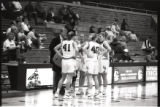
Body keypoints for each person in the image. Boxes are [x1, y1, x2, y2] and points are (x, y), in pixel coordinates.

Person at [54, 31, 78, 99]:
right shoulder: (73, 42)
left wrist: (60, 55)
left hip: (64, 60)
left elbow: (55, 48)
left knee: (62, 78)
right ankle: (66, 94)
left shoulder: (63, 42)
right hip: (70, 60)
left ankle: (57, 93)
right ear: (73, 36)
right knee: (69, 78)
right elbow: (77, 50)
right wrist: (75, 56)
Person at [82, 33, 102, 99]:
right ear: (96, 38)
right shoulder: (98, 45)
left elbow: (83, 48)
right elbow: (101, 52)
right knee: (95, 78)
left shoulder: (89, 43)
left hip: (90, 61)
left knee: (89, 77)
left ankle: (90, 93)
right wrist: (98, 56)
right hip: (95, 61)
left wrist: (88, 53)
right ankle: (97, 93)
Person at [49, 28, 67, 96]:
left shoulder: (66, 40)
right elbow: (50, 48)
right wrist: (59, 52)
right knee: (56, 74)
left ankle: (60, 88)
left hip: (63, 60)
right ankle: (55, 88)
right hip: (56, 60)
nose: (65, 33)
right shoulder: (55, 39)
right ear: (61, 32)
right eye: (65, 32)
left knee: (61, 74)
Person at [97, 32, 111, 96]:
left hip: (104, 61)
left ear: (104, 37)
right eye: (98, 36)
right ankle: (99, 89)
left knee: (104, 76)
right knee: (98, 76)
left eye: (100, 36)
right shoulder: (98, 43)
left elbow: (109, 49)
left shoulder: (105, 42)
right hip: (99, 60)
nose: (99, 37)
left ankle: (104, 90)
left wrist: (103, 53)